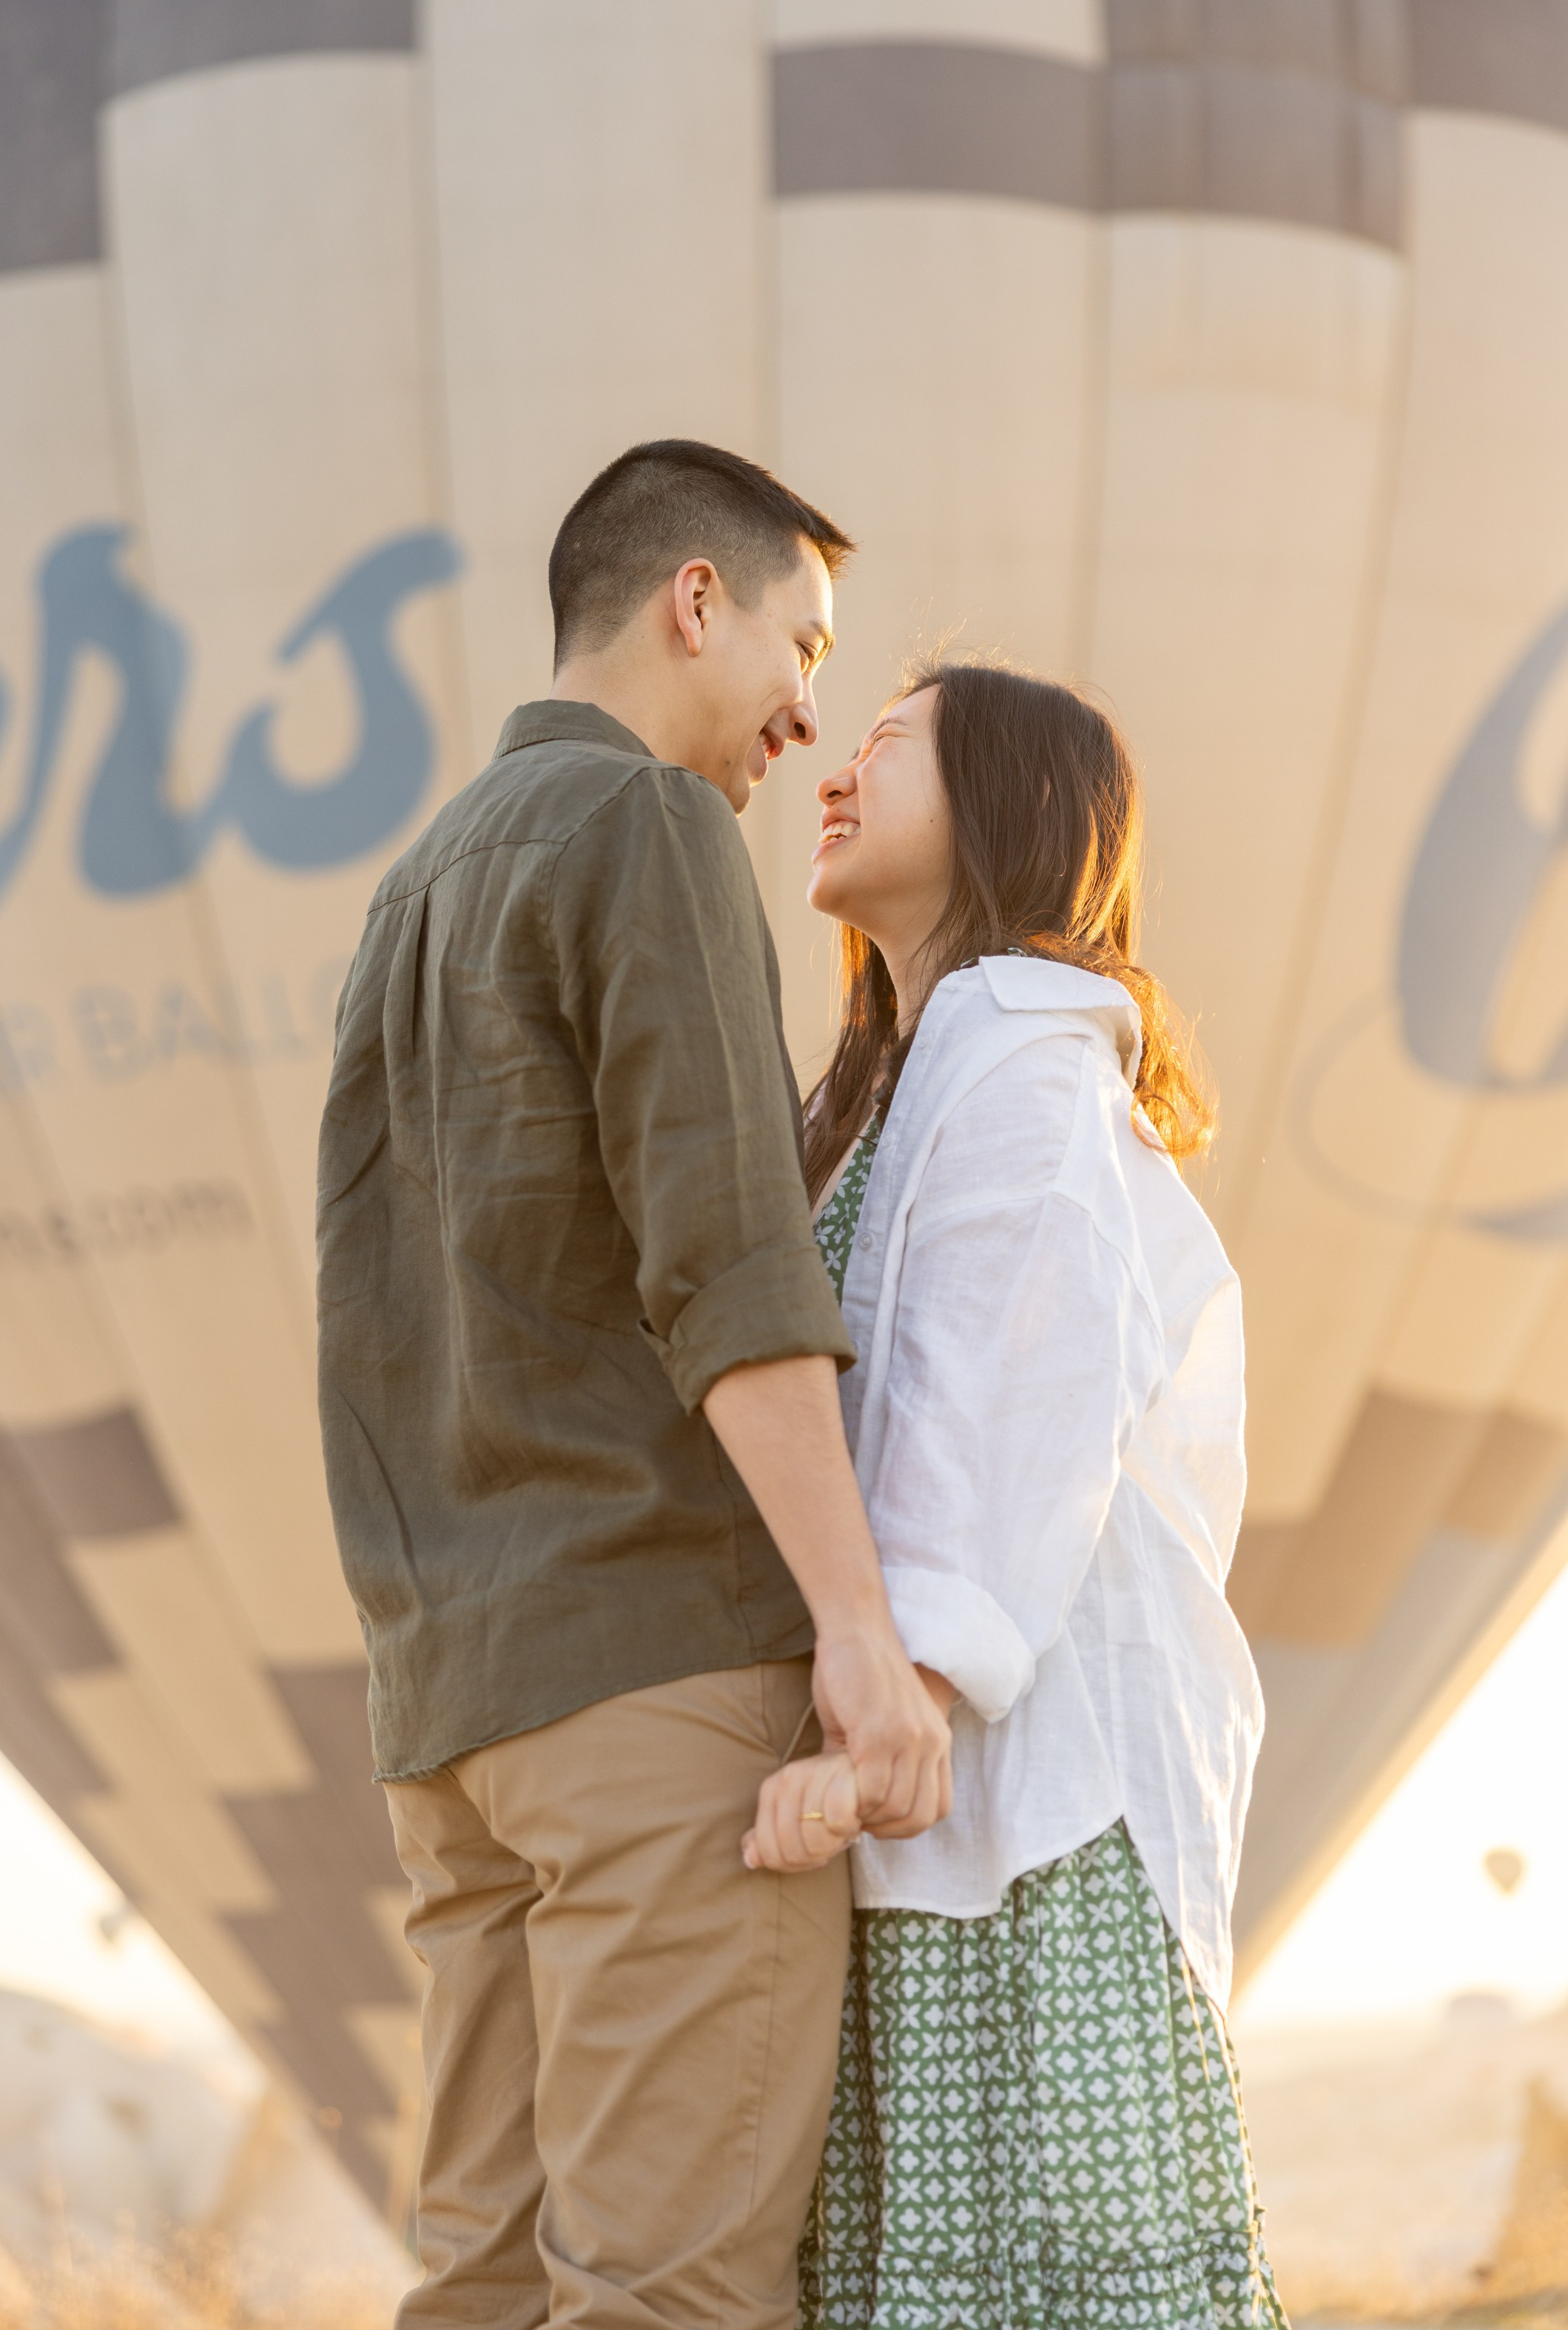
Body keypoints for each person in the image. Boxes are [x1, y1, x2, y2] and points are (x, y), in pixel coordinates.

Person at [316, 441, 951, 2330]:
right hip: (659, 1678)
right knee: (670, 2298)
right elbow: (728, 1268)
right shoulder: (649, 832)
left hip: (457, 1714)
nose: (810, 712)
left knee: (489, 2290)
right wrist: (857, 1627)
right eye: (800, 641)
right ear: (695, 600)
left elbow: (380, 1315)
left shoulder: (413, 890)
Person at [744, 661, 1286, 2330]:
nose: (839, 767)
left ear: (1002, 800)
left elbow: (1014, 1391)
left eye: (890, 743)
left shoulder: (1022, 1054)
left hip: (1025, 1823)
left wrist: (903, 1695)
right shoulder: (890, 1090)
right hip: (931, 1817)